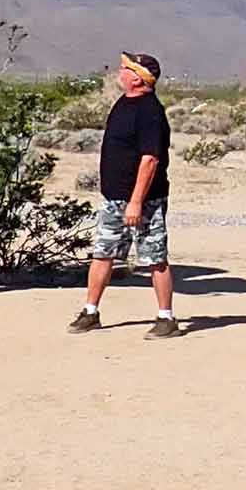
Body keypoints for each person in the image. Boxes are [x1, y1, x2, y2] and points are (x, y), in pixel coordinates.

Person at [70, 51, 178, 337]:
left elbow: (150, 159)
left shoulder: (150, 112)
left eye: (126, 68)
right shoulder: (122, 103)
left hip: (144, 201)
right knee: (102, 253)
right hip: (114, 198)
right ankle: (91, 312)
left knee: (155, 257)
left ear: (138, 78)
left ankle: (166, 318)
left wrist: (136, 202)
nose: (120, 72)